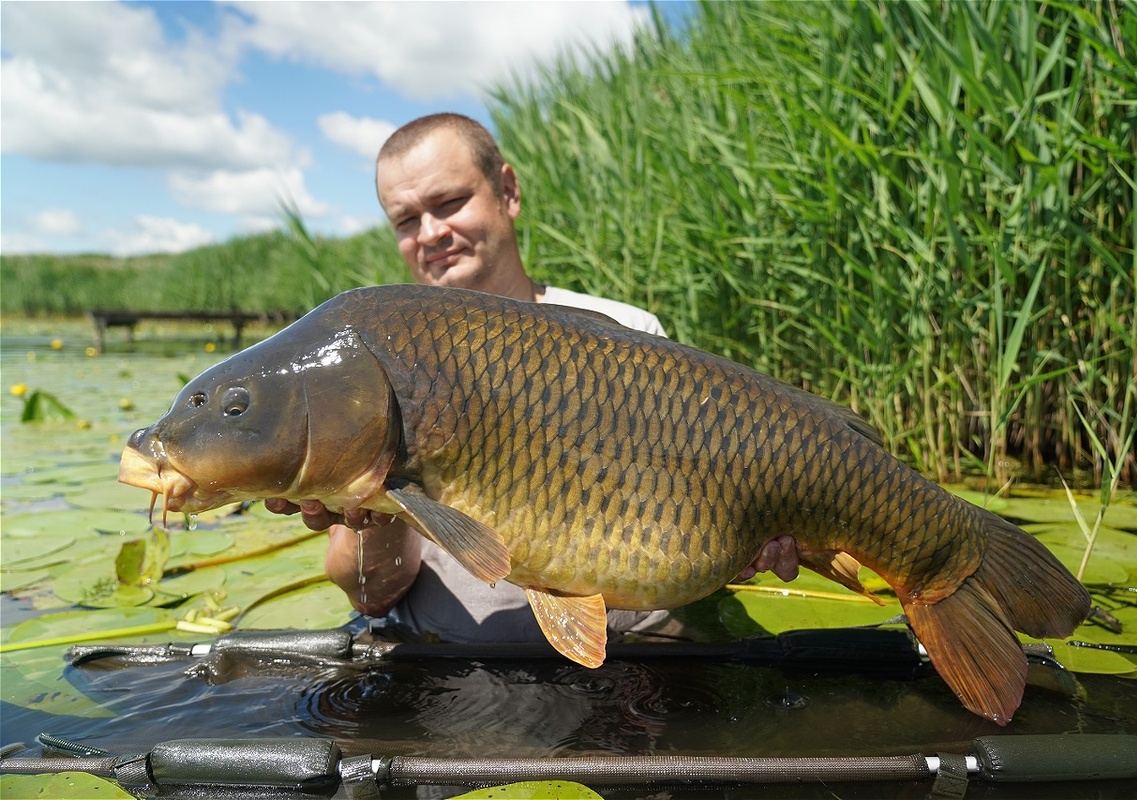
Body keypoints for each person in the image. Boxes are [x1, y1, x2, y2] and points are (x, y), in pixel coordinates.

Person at [266, 113, 799, 644]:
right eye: (406, 220)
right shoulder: (377, 366)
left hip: (630, 650)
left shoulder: (633, 336)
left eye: (449, 203)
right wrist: (374, 510)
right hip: (446, 663)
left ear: (508, 191)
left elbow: (695, 527)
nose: (431, 233)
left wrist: (748, 538)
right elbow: (370, 595)